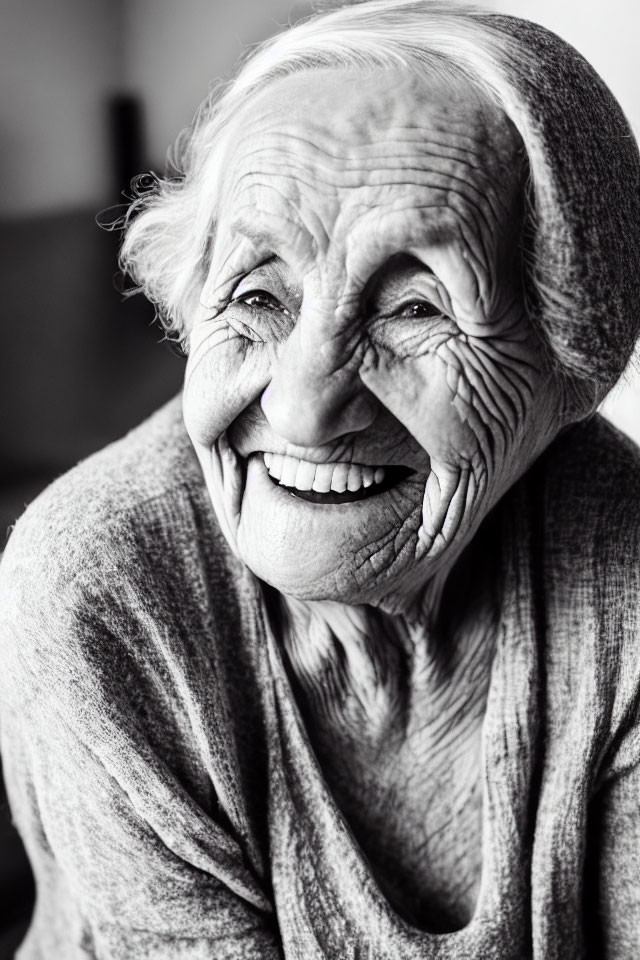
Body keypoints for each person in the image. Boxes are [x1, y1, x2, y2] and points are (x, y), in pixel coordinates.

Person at [2, 1, 640, 956]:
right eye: (257, 295)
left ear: (570, 360)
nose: (303, 408)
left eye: (418, 307)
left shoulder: (623, 567)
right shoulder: (102, 586)